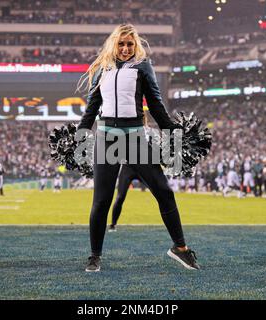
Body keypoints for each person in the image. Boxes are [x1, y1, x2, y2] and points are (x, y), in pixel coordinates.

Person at [76, 24, 199, 272]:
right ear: (113, 44)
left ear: (136, 45)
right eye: (121, 44)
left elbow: (155, 103)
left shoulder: (143, 67)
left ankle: (180, 248)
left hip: (135, 140)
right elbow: (92, 107)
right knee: (101, 200)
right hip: (106, 139)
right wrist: (79, 135)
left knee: (163, 191)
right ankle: (94, 256)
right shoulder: (103, 69)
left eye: (129, 44)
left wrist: (173, 133)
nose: (125, 48)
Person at [108, 164, 146, 232]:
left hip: (144, 166)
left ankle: (170, 224)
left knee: (161, 193)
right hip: (128, 168)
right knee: (120, 197)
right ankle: (113, 224)